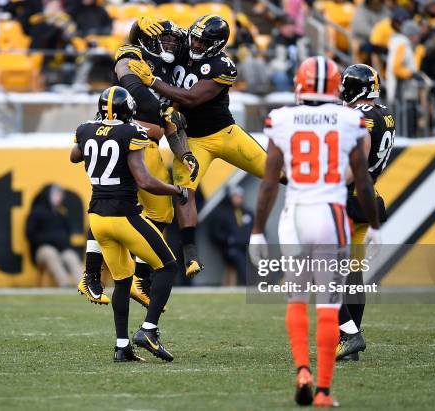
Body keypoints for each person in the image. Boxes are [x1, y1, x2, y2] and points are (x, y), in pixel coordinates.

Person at [249, 56, 381, 407]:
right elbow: (364, 182)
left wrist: (258, 230)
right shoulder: (352, 119)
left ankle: (302, 370)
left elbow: (268, 183)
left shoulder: (281, 118)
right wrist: (376, 225)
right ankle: (323, 391)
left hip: (294, 215)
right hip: (331, 213)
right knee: (328, 303)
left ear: (300, 84)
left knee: (296, 298)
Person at [128, 15, 287, 278]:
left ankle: (321, 192)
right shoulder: (181, 47)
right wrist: (139, 26)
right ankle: (190, 254)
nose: (197, 44)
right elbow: (148, 41)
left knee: (274, 170)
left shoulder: (224, 66)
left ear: (217, 45)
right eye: (196, 38)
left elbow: (191, 99)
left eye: (203, 41)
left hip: (224, 133)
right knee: (184, 192)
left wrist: (153, 82)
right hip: (191, 140)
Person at [78, 18, 198, 309]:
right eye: (164, 39)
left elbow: (170, 124)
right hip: (122, 136)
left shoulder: (172, 70)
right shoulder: (134, 55)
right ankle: (91, 273)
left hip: (148, 144)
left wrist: (184, 154)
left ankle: (140, 279)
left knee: (161, 213)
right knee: (108, 199)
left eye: (173, 40)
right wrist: (135, 28)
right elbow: (129, 78)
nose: (170, 44)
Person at [70, 86, 188, 362]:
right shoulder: (131, 133)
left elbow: (75, 156)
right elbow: (145, 181)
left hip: (98, 220)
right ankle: (148, 330)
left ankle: (122, 347)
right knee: (168, 266)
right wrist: (176, 190)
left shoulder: (86, 129)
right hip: (124, 217)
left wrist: (95, 139)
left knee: (122, 282)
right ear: (130, 111)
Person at [337, 64, 394, 360]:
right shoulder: (385, 114)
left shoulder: (360, 118)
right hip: (369, 196)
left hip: (349, 197)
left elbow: (356, 164)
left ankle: (348, 334)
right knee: (353, 274)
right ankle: (349, 342)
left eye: (345, 85)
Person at [25, 184, 83, 287]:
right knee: (50, 253)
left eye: (60, 194)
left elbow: (67, 236)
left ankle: (84, 285)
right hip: (42, 250)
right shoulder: (36, 213)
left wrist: (61, 241)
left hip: (61, 250)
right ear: (47, 195)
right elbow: (30, 236)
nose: (59, 197)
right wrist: (52, 238)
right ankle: (65, 285)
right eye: (56, 194)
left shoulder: (61, 215)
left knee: (70, 255)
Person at [209, 186, 254, 285]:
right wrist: (228, 239)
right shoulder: (223, 214)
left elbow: (257, 229)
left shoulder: (248, 213)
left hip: (248, 246)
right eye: (235, 196)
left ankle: (261, 282)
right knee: (240, 259)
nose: (238, 199)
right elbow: (215, 233)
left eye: (240, 197)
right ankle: (248, 283)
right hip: (231, 247)